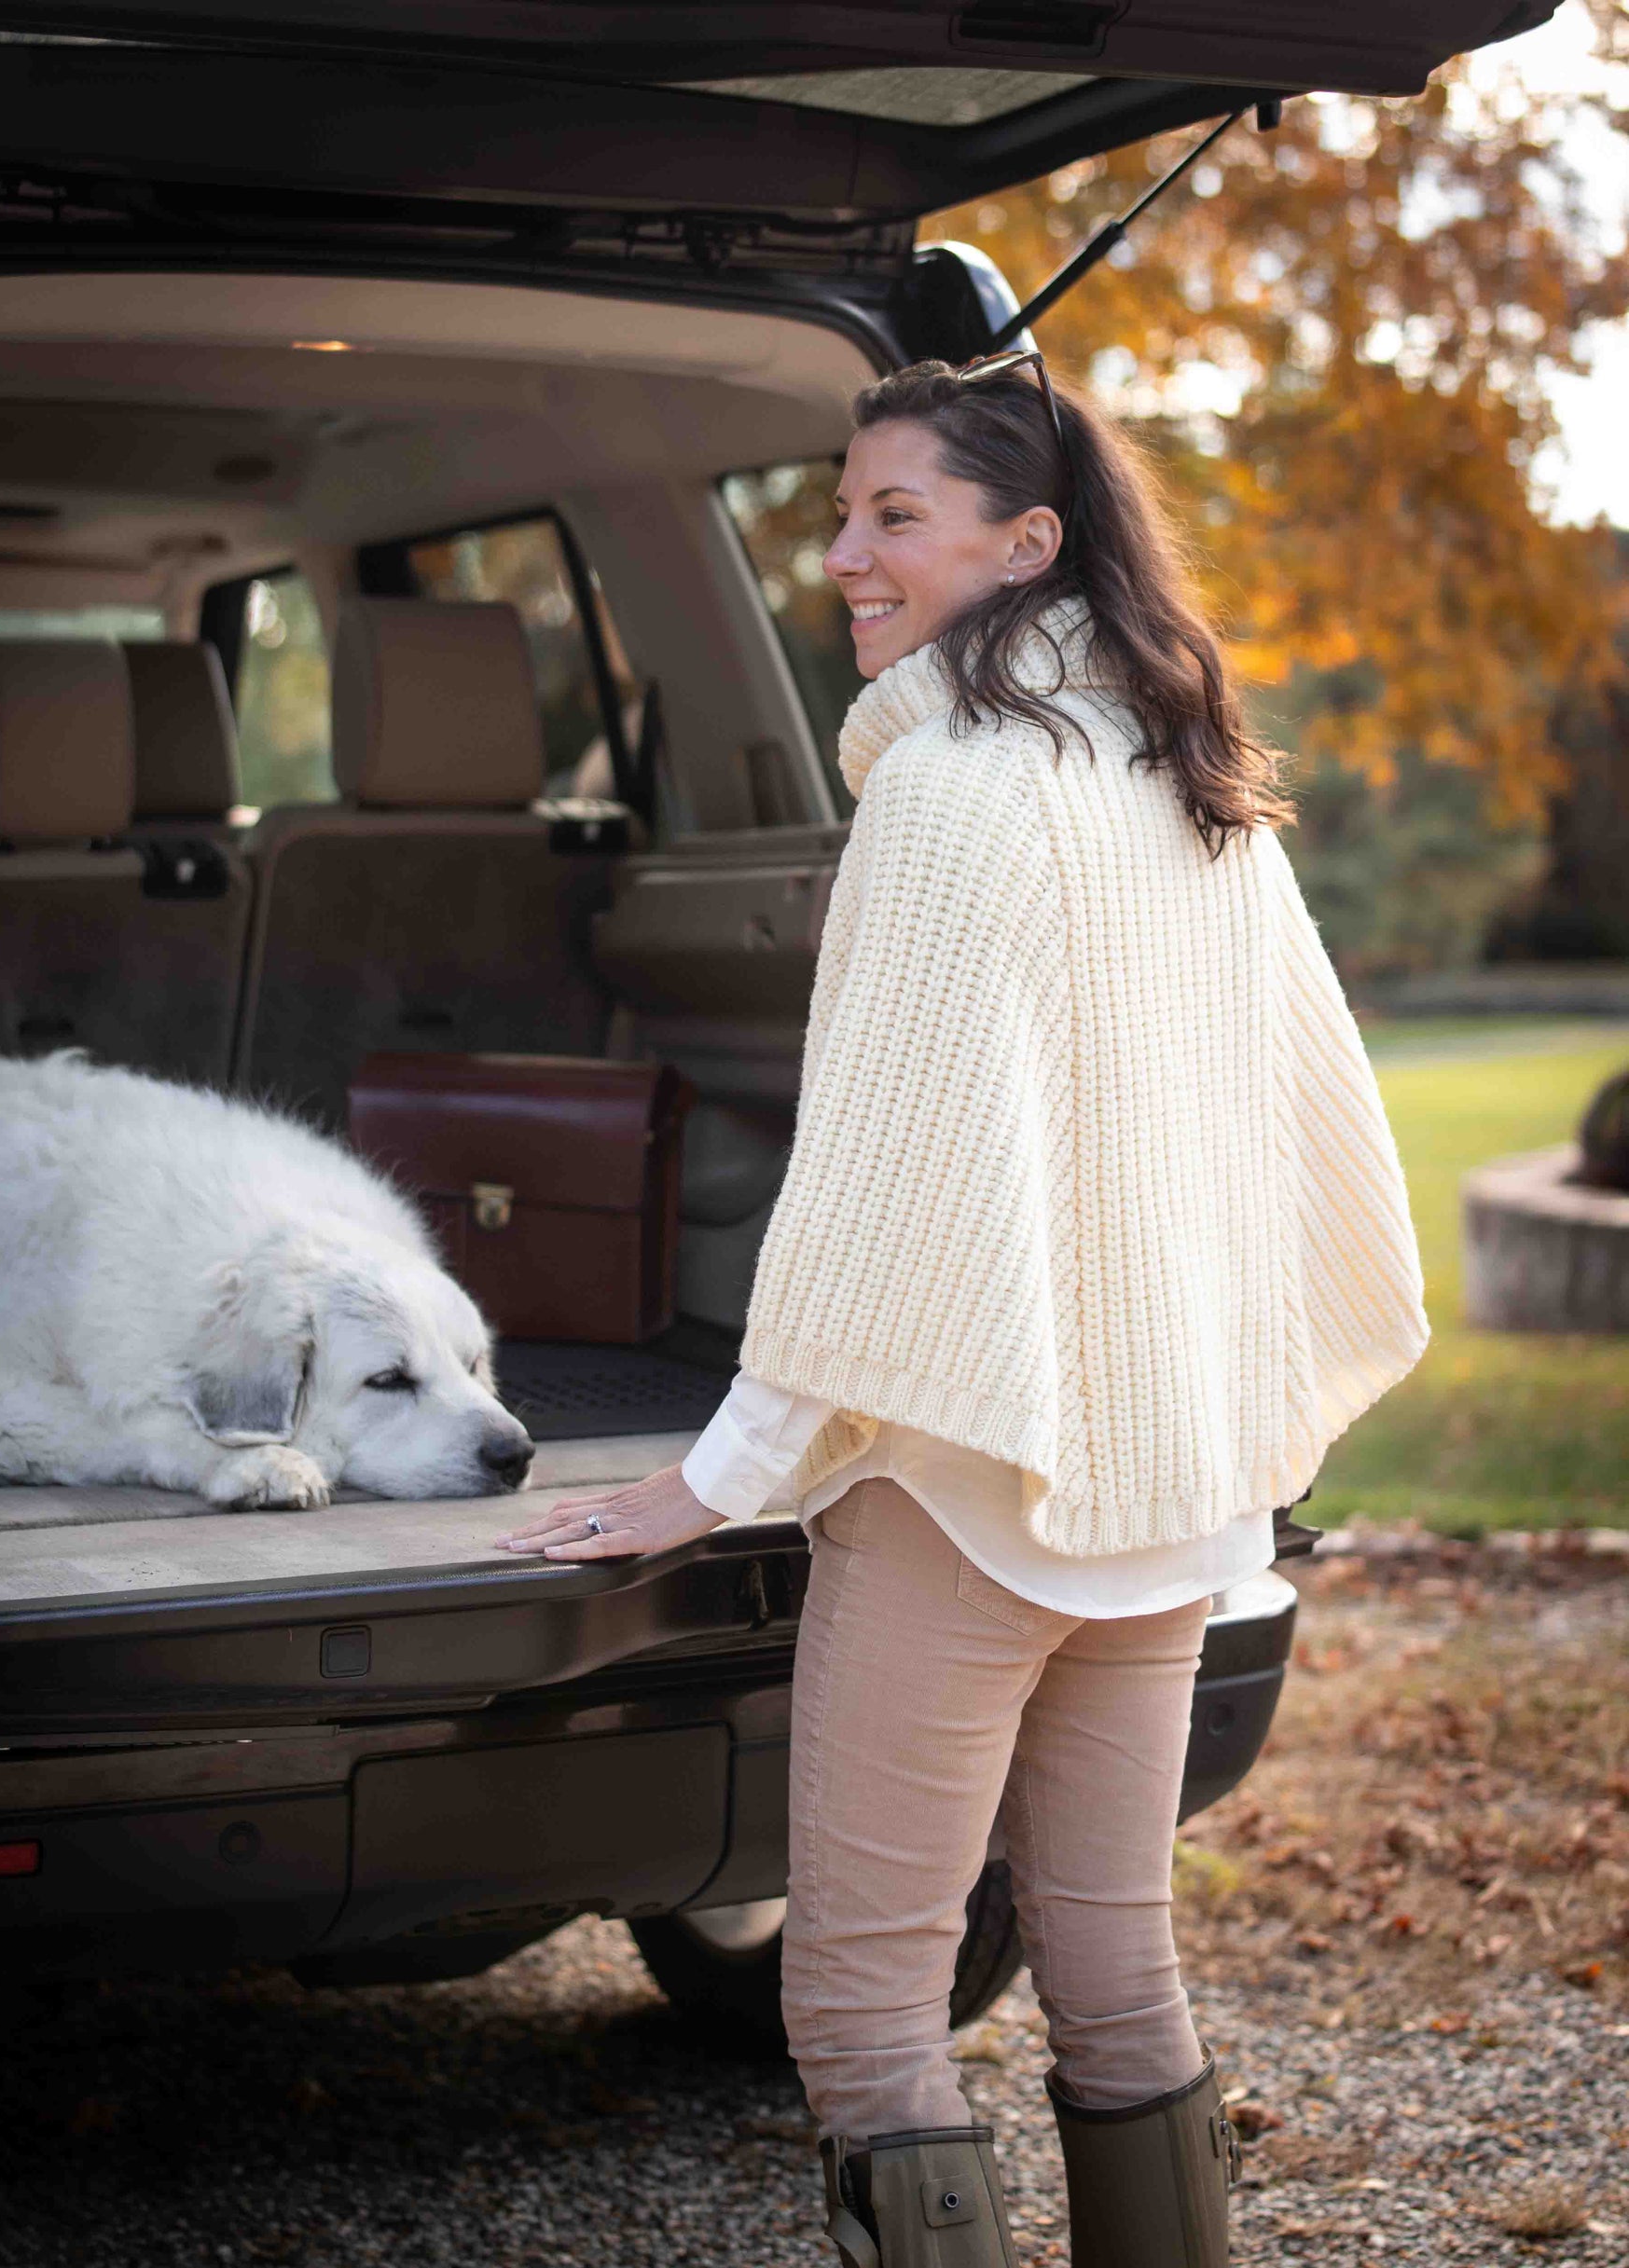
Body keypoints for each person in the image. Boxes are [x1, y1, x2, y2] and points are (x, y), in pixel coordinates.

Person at [498, 349, 1427, 2268]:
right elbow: (1298, 1137)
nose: (839, 551)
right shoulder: (1194, 780)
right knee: (1115, 1972)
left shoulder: (946, 792)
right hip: (1173, 1490)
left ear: (1027, 542)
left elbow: (883, 1199)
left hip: (968, 1491)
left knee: (858, 2008)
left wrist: (723, 1472)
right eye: (838, 512)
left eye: (889, 516)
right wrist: (1231, 1406)